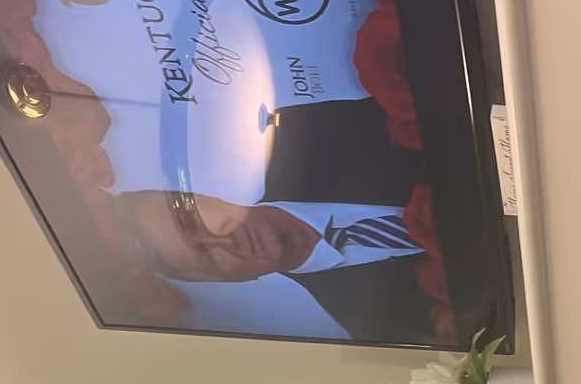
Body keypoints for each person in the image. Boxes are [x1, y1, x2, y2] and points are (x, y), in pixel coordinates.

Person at [112, 97, 452, 345]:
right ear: (234, 281)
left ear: (208, 197)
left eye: (195, 225)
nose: (224, 241)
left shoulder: (312, 133)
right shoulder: (378, 326)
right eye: (207, 258)